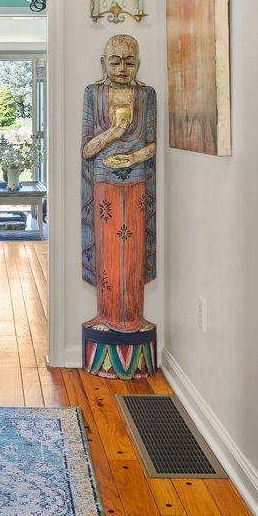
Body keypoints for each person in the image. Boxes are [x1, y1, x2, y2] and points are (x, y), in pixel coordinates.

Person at [81, 34, 158, 375]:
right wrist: (115, 132)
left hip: (137, 182)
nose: (123, 68)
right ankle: (107, 315)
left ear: (138, 63)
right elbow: (86, 150)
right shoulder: (93, 93)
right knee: (109, 251)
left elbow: (152, 145)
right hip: (103, 185)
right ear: (103, 63)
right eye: (115, 61)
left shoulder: (147, 95)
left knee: (134, 251)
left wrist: (131, 157)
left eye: (129, 61)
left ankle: (132, 317)